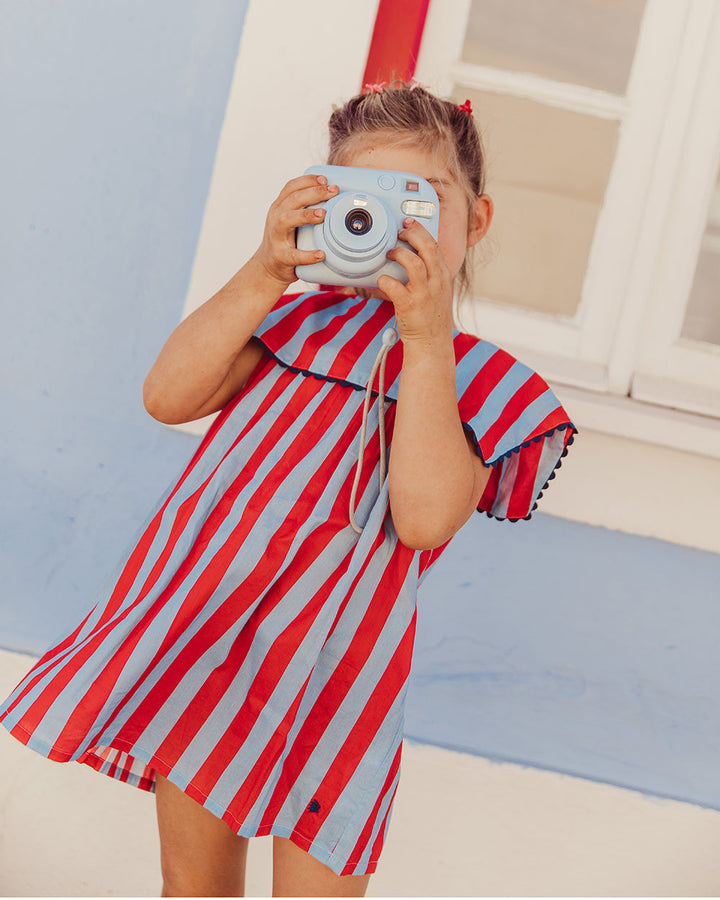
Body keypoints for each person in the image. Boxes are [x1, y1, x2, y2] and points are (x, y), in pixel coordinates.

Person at [0, 81, 576, 897]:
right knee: (193, 886)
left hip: (338, 679)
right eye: (365, 199)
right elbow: (167, 396)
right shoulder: (289, 321)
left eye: (423, 202)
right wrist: (267, 266)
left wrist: (425, 337)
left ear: (474, 222)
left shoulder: (479, 383)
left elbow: (421, 518)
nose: (394, 226)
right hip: (214, 643)